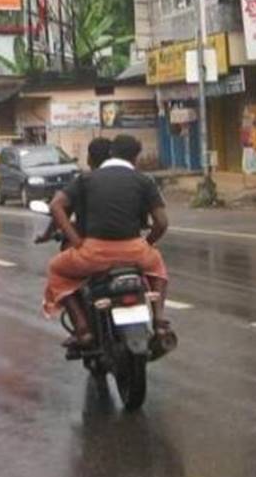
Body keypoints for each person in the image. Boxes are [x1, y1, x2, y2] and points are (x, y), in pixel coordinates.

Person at [43, 134, 172, 349]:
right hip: (135, 252)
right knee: (158, 269)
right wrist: (147, 243)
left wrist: (76, 241)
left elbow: (56, 205)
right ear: (136, 157)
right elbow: (162, 222)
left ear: (110, 153)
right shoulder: (144, 181)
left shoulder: (86, 179)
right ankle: (159, 320)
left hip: (93, 254)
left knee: (56, 269)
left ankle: (82, 329)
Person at [34, 136, 111, 244]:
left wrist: (76, 242)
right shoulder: (128, 181)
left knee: (55, 262)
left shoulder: (83, 180)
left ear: (89, 159)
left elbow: (57, 207)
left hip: (90, 245)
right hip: (128, 247)